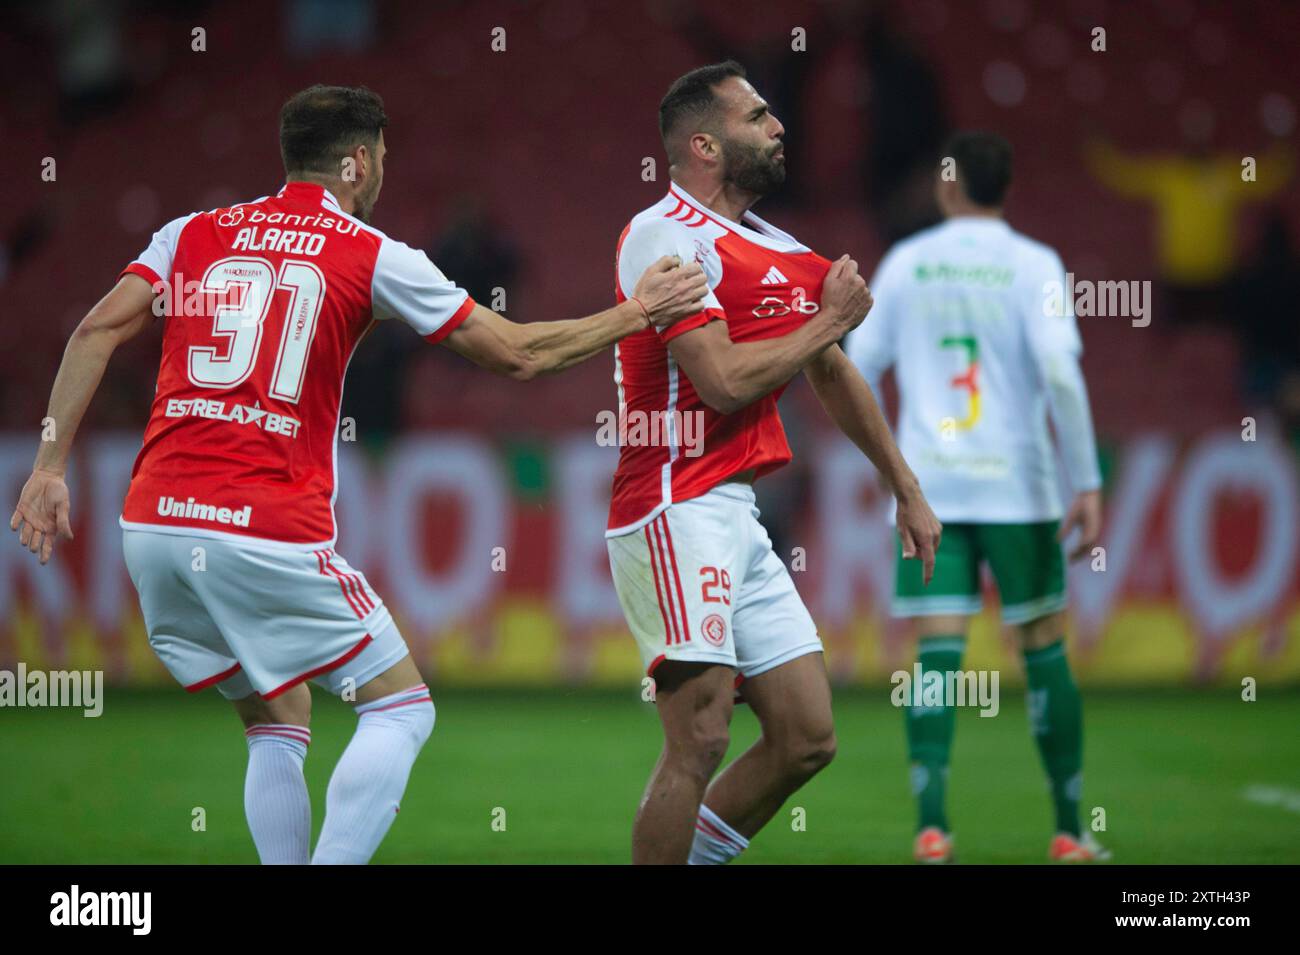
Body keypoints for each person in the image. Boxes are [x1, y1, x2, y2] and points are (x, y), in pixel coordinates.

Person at [9, 84, 707, 865]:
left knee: (277, 710)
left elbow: (96, 327)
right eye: (381, 159)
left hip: (153, 525)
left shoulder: (190, 232)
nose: (382, 175)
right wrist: (637, 312)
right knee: (401, 705)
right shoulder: (373, 253)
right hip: (263, 525)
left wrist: (48, 464)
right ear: (357, 160)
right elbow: (518, 352)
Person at [606, 61, 941, 865]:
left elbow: (832, 370)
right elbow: (719, 383)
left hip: (735, 513)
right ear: (705, 144)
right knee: (702, 734)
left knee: (805, 737)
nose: (779, 126)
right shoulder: (663, 235)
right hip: (671, 505)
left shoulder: (780, 249)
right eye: (757, 116)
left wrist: (905, 485)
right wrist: (825, 321)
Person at [846, 130, 1108, 863]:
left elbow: (854, 369)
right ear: (1007, 187)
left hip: (930, 486)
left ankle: (931, 828)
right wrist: (1085, 478)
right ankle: (1068, 829)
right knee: (1043, 647)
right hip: (1019, 485)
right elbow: (1061, 373)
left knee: (936, 653)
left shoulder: (906, 264)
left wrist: (886, 465)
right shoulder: (1034, 265)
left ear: (947, 184)